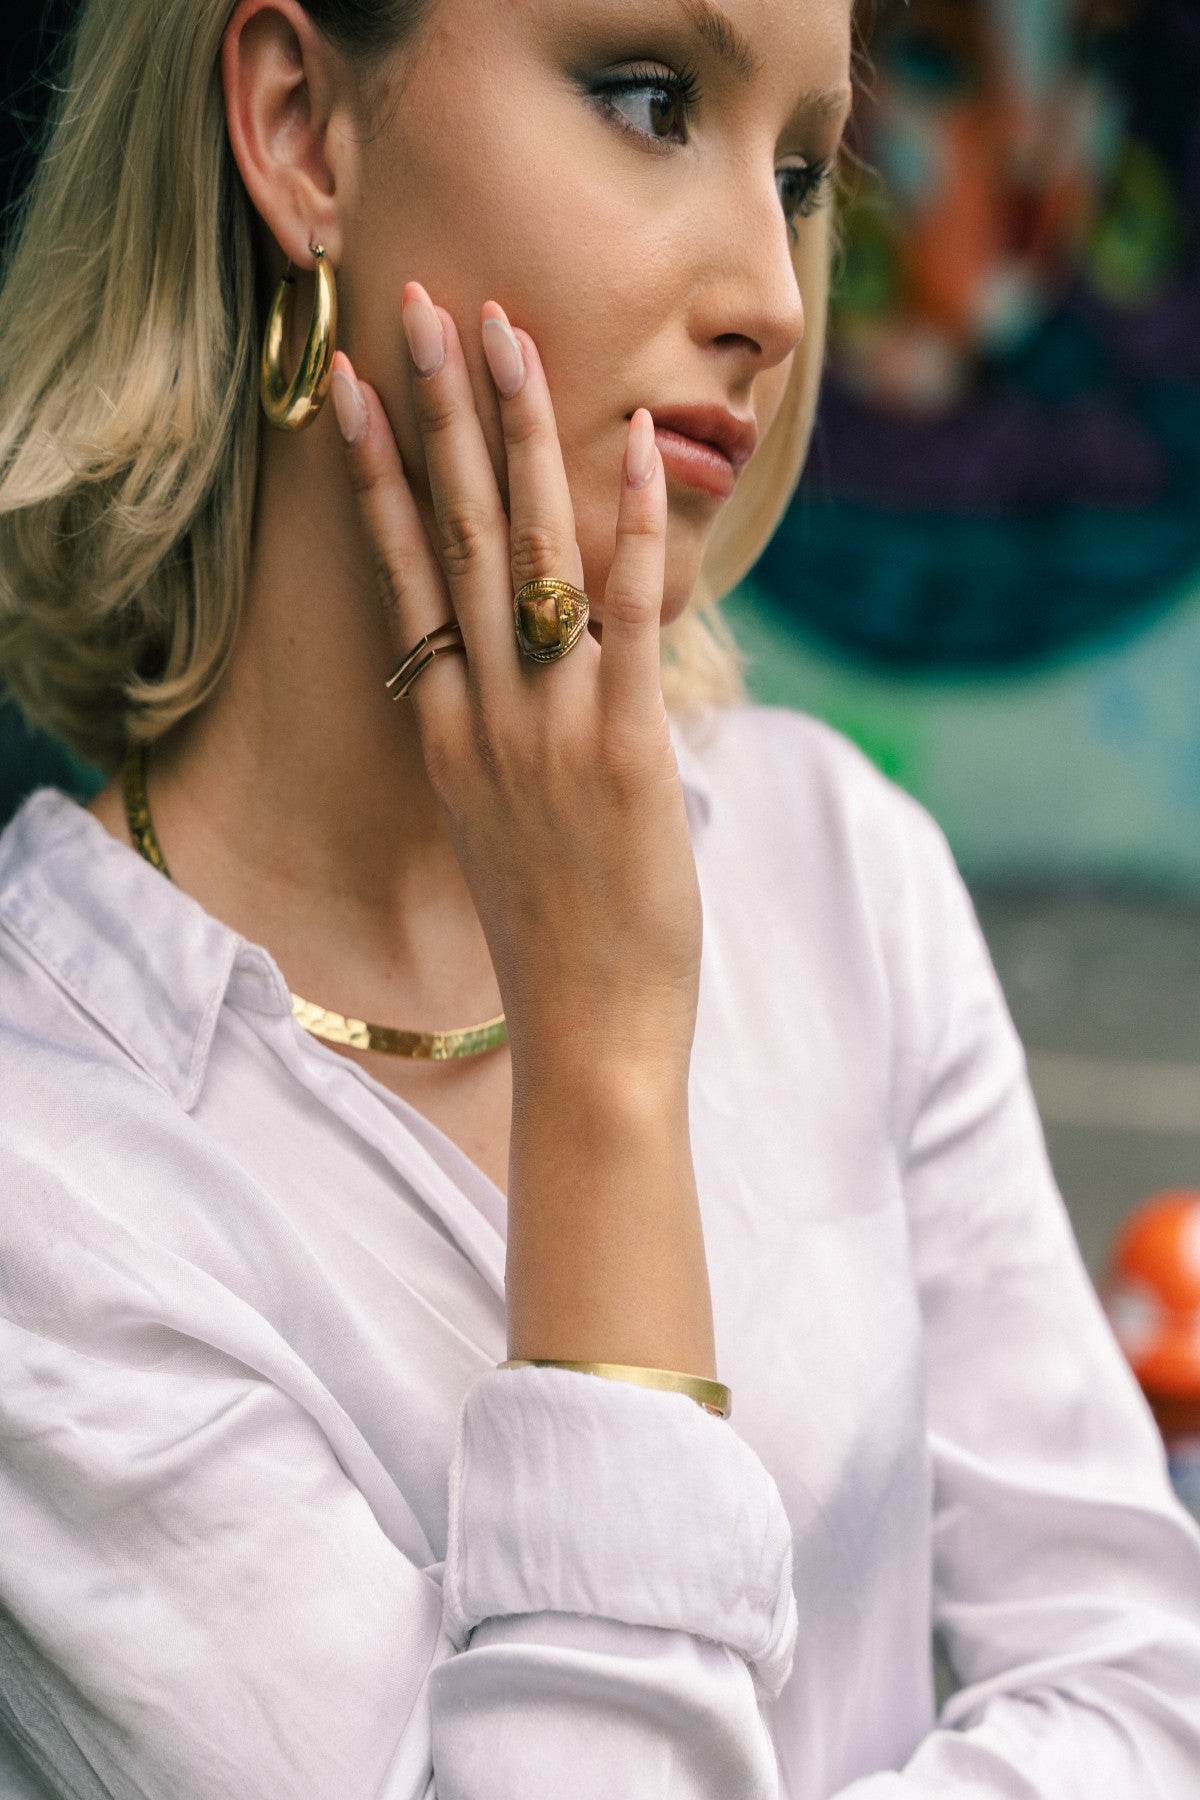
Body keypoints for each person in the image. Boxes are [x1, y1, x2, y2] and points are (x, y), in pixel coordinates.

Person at [0, 0, 1198, 1794]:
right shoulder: (51, 1178)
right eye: (650, 98)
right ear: (300, 126)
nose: (781, 299)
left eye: (803, 170)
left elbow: (1145, 1676)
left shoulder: (837, 865)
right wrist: (610, 1062)